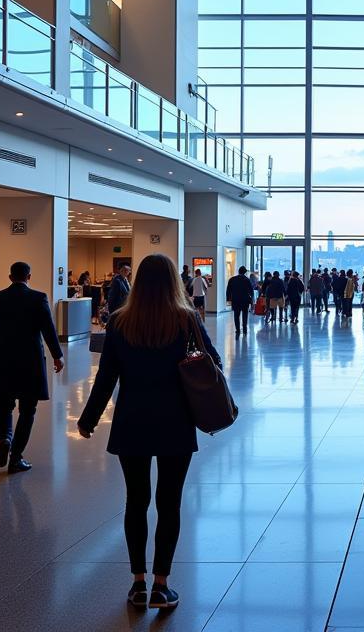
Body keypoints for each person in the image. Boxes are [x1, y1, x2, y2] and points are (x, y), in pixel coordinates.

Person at [78, 254, 222, 609]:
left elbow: (107, 376)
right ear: (174, 281)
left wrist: (89, 418)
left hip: (132, 420)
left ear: (138, 281)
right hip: (175, 419)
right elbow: (213, 361)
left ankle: (137, 583)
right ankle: (161, 584)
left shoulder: (120, 322)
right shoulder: (186, 319)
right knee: (169, 503)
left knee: (136, 501)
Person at [0, 261, 64, 473]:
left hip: (2, 358)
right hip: (30, 361)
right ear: (29, 276)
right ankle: (16, 457)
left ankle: (5, 438)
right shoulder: (38, 298)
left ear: (10, 277)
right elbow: (48, 329)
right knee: (28, 410)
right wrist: (57, 355)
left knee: (4, 404)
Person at [227, 266, 253, 338]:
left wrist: (228, 299)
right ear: (245, 272)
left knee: (236, 315)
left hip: (235, 300)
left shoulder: (232, 279)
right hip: (245, 300)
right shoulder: (247, 280)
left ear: (239, 271)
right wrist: (252, 301)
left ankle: (237, 329)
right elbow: (251, 291)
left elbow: (228, 290)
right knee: (245, 315)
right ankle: (244, 329)